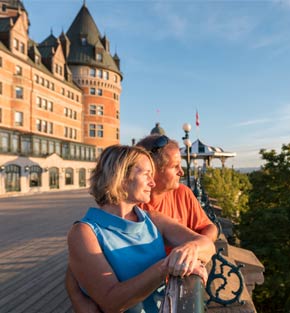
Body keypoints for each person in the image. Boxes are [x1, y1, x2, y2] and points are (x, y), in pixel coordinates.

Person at [67, 144, 215, 313]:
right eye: (146, 175)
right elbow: (111, 301)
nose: (152, 183)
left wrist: (190, 249)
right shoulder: (84, 233)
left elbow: (207, 244)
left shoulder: (151, 218)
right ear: (121, 177)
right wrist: (167, 265)